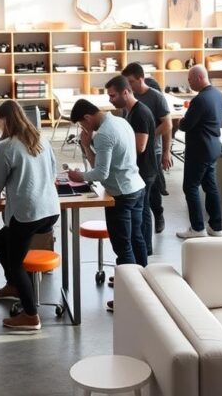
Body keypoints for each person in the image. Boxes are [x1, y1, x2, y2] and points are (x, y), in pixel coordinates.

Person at [0, 101, 61, 332]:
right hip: (50, 210)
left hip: (29, 213)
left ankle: (30, 315)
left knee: (16, 263)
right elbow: (53, 172)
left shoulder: (6, 146)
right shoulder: (40, 138)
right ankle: (15, 286)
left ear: (6, 120)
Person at [68, 99, 146, 311]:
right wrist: (85, 145)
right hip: (137, 187)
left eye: (82, 125)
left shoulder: (103, 135)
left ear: (87, 117)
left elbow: (99, 173)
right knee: (136, 238)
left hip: (121, 193)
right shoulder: (120, 121)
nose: (83, 129)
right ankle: (146, 287)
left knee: (123, 247)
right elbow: (101, 165)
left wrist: (79, 175)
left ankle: (130, 298)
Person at [106, 75, 158, 256]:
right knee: (138, 222)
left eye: (113, 96)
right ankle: (138, 261)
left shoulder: (140, 113)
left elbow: (140, 147)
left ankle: (142, 262)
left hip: (144, 170)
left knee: (140, 221)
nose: (110, 100)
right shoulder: (129, 112)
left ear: (126, 92)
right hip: (137, 171)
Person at [122, 63, 172, 233]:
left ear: (141, 79)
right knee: (140, 190)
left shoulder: (156, 97)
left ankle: (158, 215)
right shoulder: (129, 97)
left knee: (153, 189)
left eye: (131, 82)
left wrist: (165, 150)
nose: (128, 86)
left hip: (153, 151)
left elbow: (168, 125)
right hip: (136, 150)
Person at [176, 65, 222, 238]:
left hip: (199, 150)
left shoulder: (200, 100)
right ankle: (216, 226)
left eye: (189, 79)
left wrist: (181, 119)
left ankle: (197, 228)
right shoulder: (218, 94)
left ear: (198, 78)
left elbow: (185, 125)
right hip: (213, 147)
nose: (188, 83)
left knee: (190, 187)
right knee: (210, 187)